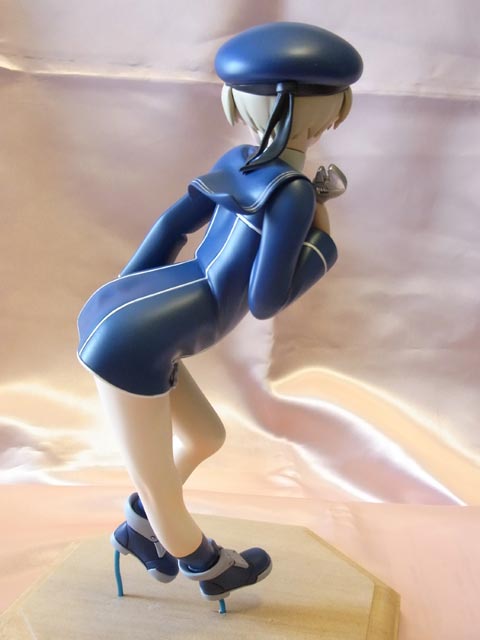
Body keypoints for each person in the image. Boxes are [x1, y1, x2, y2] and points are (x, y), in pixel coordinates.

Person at [77, 22, 362, 605]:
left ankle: (141, 528)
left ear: (237, 102)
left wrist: (127, 288)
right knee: (158, 483)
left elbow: (172, 225)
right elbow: (264, 299)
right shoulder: (293, 193)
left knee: (206, 436)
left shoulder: (236, 160)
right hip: (136, 339)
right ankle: (207, 565)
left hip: (153, 322)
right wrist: (321, 249)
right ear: (334, 112)